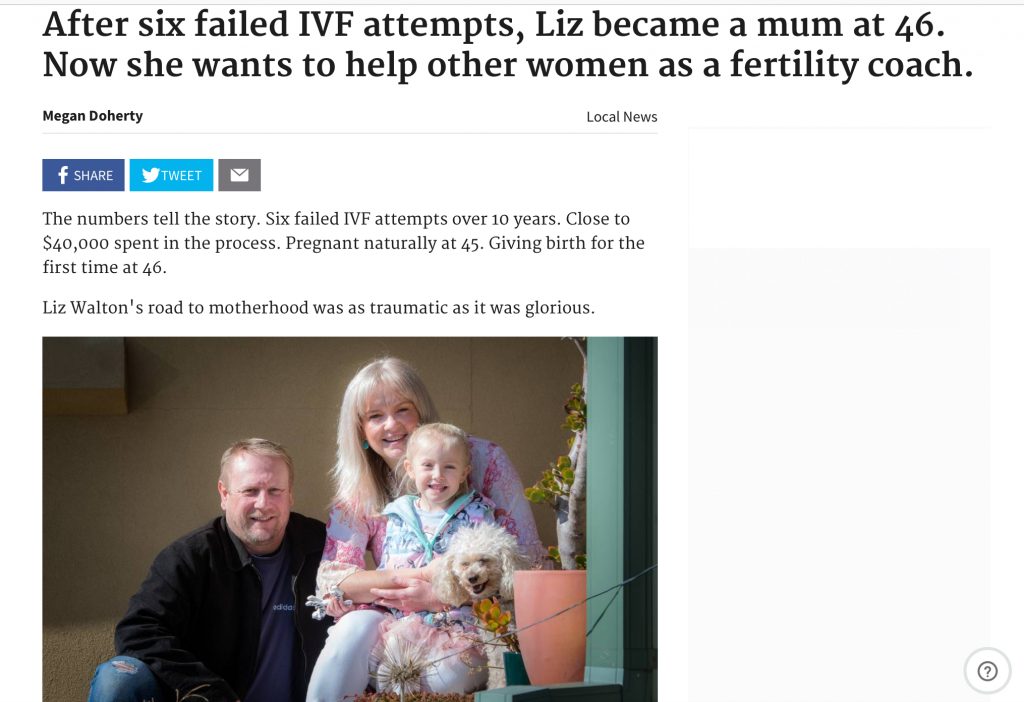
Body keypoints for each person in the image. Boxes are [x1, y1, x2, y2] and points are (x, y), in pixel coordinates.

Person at [306, 357, 544, 701]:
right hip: (395, 620)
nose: (391, 425)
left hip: (469, 619)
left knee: (444, 677)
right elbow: (334, 583)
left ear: (422, 412)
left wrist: (444, 594)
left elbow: (527, 567)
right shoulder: (360, 488)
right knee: (351, 631)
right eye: (375, 416)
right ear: (360, 430)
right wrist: (420, 577)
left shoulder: (480, 459)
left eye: (403, 409)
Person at [87, 438, 330, 702]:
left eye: (275, 490)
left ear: (290, 494)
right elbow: (139, 631)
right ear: (224, 494)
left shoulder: (322, 547)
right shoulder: (191, 557)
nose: (263, 503)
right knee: (118, 679)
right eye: (250, 491)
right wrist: (210, 692)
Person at [307, 423, 502, 698]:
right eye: (428, 466)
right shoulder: (397, 516)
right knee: (381, 666)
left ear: (465, 473)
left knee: (443, 679)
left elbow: (490, 575)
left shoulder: (477, 514)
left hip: (457, 625)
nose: (437, 475)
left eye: (449, 467)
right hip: (401, 622)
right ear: (410, 469)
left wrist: (444, 592)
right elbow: (390, 567)